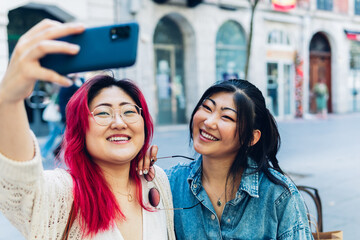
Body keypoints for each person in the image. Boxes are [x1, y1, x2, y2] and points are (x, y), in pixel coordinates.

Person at [0, 19, 175, 239]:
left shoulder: (156, 180)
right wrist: (8, 99)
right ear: (80, 130)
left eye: (129, 111)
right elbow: (21, 190)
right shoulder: (66, 193)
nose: (119, 122)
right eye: (103, 113)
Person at [140, 79, 313, 239]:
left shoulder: (278, 195)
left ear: (252, 138)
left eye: (227, 117)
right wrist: (134, 173)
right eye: (207, 108)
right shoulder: (169, 183)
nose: (208, 122)